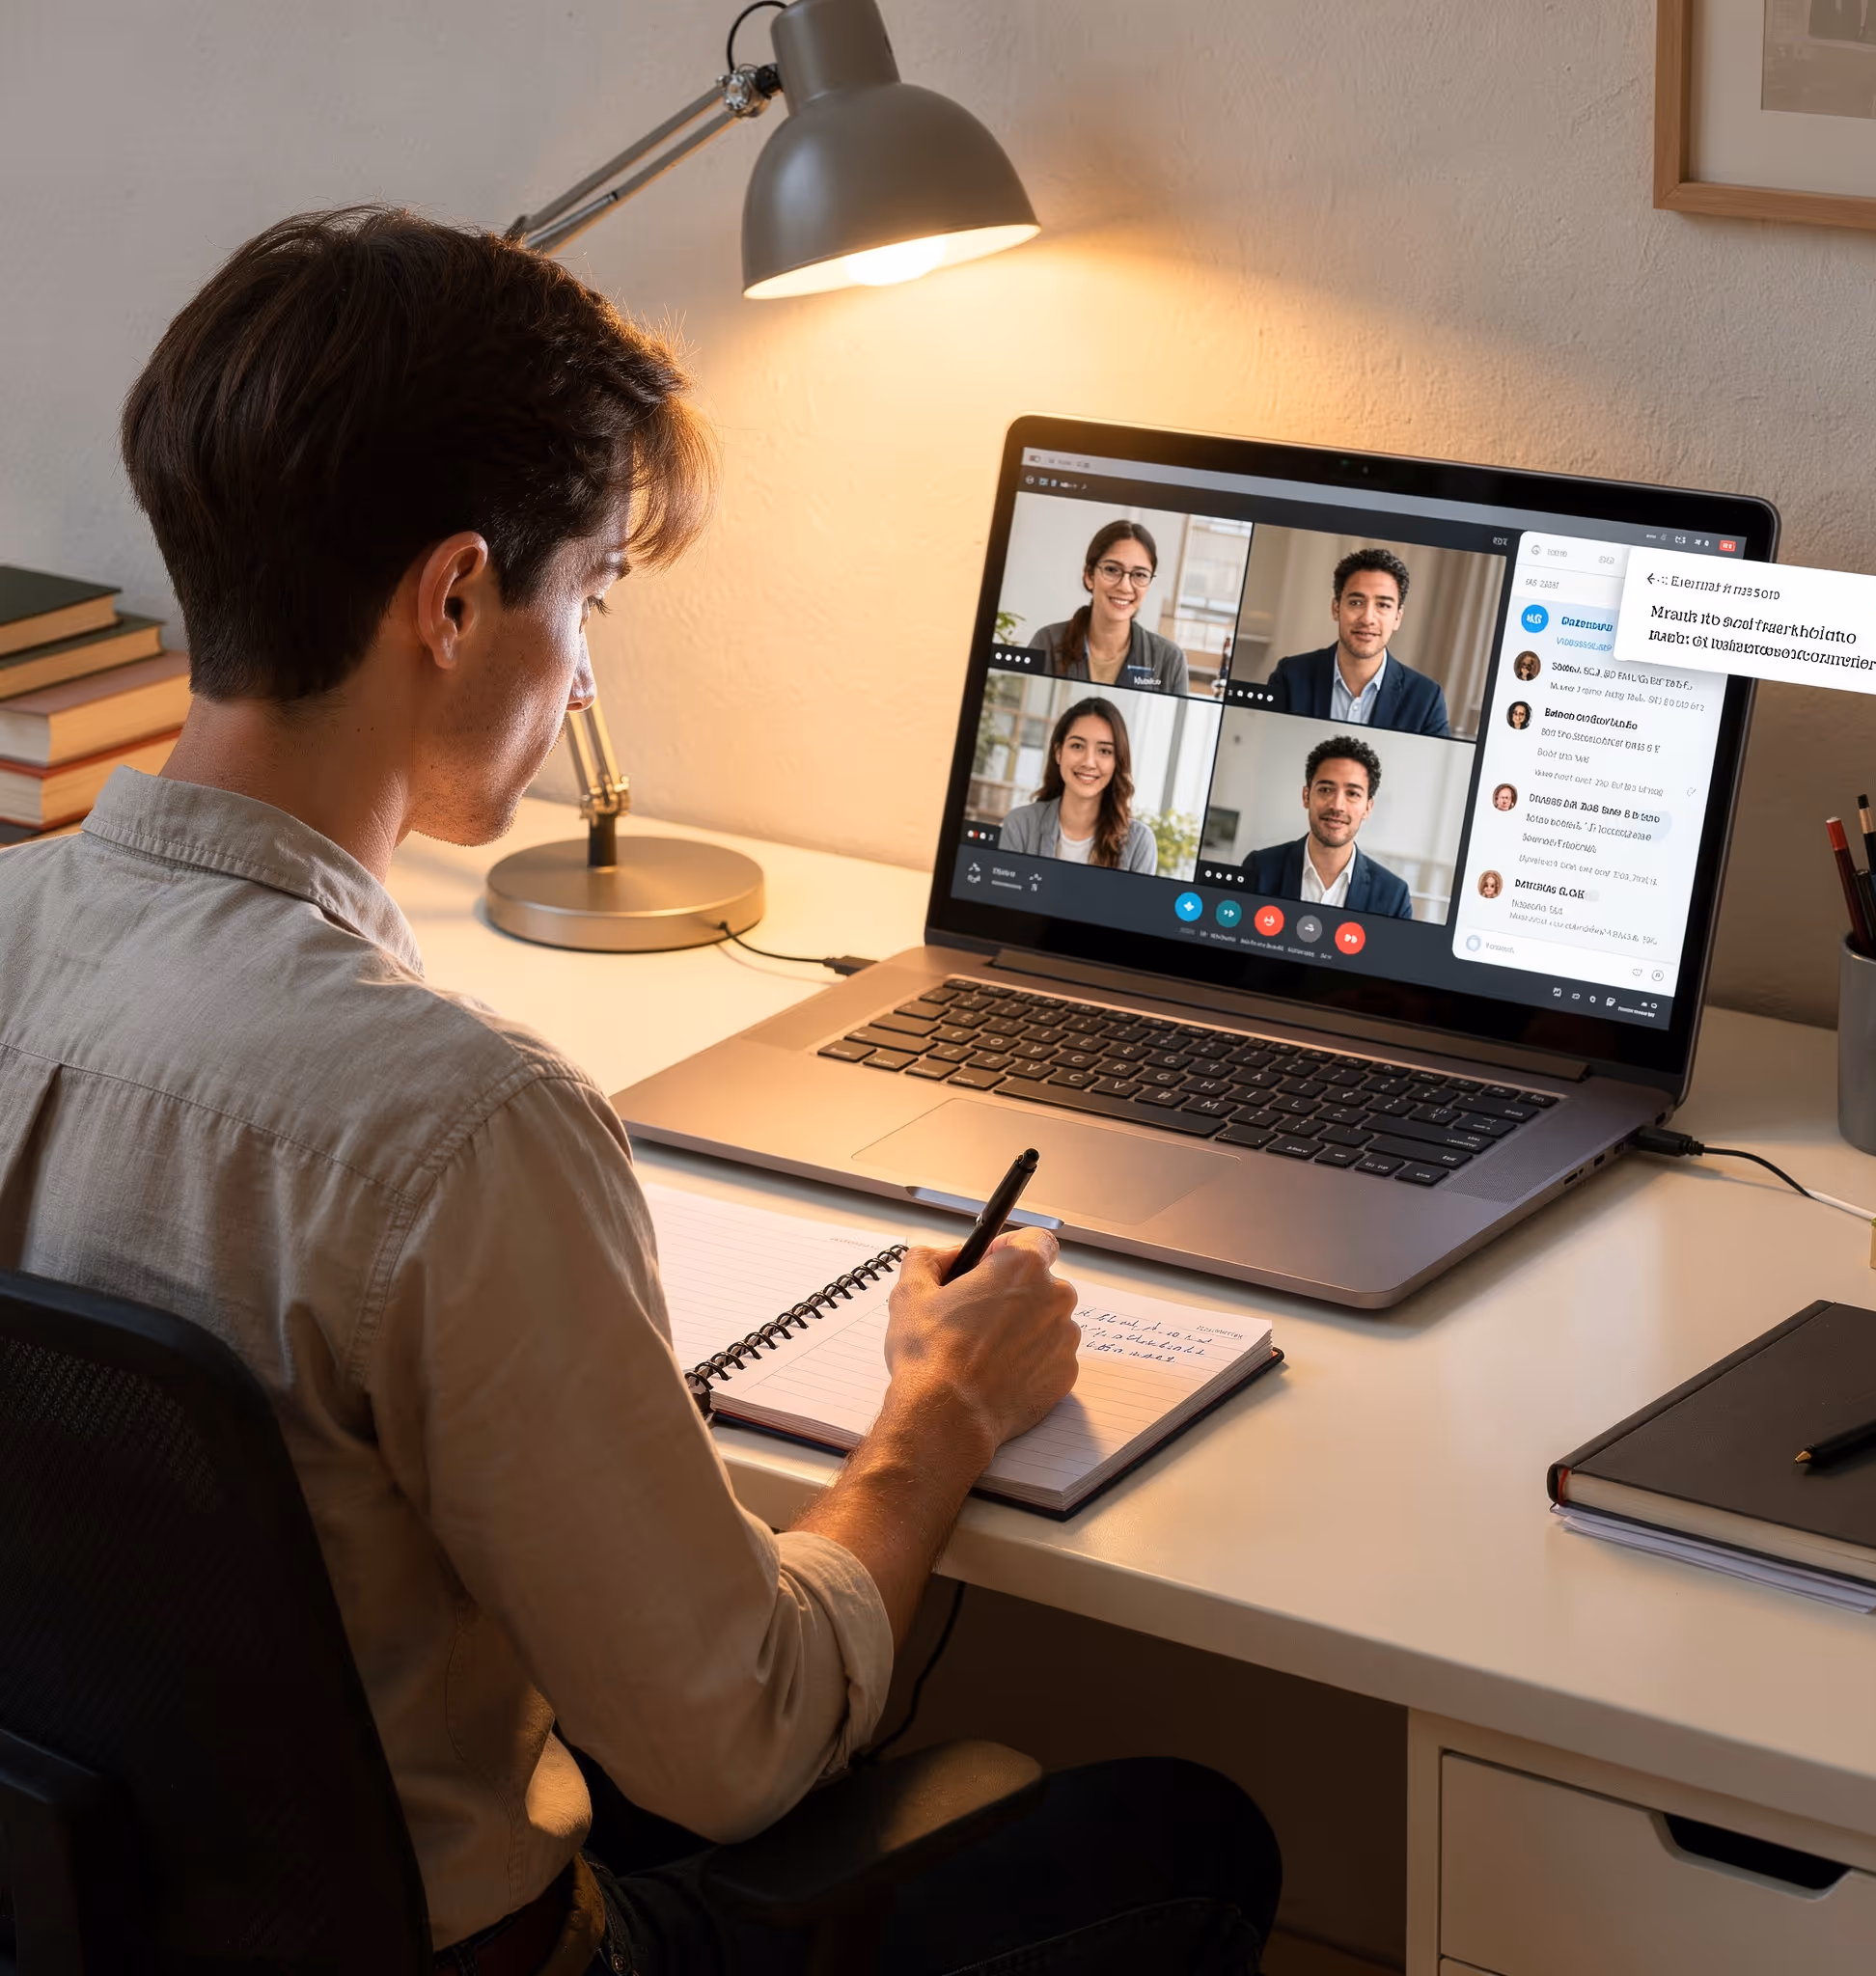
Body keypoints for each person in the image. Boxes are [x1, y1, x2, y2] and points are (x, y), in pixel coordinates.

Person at [0, 210, 1280, 1975]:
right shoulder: (456, 1125)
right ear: (452, 599)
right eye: (589, 591)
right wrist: (937, 1413)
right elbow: (735, 1743)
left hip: (94, 1916)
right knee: (1180, 1835)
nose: (588, 667)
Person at [1263, 548, 1452, 736]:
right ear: (1336, 608)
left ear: (1398, 618)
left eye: (1383, 605)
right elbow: (1265, 752)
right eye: (1356, 602)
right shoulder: (1290, 676)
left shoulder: (1426, 698)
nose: (1368, 618)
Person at [1236, 734, 1412, 918]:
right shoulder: (1259, 869)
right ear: (1306, 796)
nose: (1337, 805)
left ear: (1368, 808)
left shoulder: (1394, 897)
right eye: (1326, 790)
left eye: (1352, 793)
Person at [997, 697, 1160, 873]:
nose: (1089, 762)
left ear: (1117, 762)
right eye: (1077, 746)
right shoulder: (1019, 826)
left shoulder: (1139, 843)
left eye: (1104, 751)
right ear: (1058, 753)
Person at [1029, 520, 1190, 694]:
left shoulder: (1170, 661)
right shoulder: (1047, 642)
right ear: (1089, 576)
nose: (1125, 586)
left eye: (1140, 575)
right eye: (1112, 570)